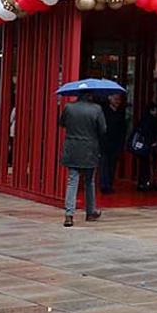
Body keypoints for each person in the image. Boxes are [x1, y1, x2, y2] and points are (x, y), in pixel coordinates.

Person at [59, 91, 106, 227]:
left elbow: (62, 123)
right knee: (89, 181)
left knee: (72, 181)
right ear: (91, 96)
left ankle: (69, 215)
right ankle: (90, 212)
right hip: (89, 149)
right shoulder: (97, 109)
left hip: (72, 148)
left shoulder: (69, 107)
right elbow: (103, 129)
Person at [98, 92, 127, 193]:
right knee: (104, 164)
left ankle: (109, 183)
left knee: (112, 165)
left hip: (116, 143)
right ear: (110, 98)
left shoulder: (120, 112)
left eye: (119, 100)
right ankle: (104, 185)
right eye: (115, 99)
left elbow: (123, 129)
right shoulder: (103, 111)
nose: (117, 102)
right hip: (104, 142)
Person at [131, 103, 157, 191]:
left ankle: (143, 182)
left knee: (143, 165)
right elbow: (151, 133)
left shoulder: (143, 120)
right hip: (149, 146)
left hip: (142, 146)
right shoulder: (152, 120)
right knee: (149, 165)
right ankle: (148, 182)